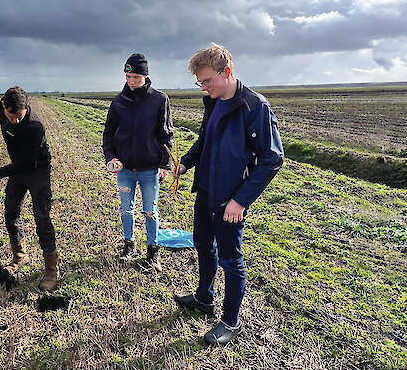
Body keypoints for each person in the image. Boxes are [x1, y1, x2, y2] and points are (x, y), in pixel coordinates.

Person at [172, 44, 284, 345]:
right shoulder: (214, 102)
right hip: (206, 192)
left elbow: (272, 159)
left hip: (230, 200)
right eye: (200, 82)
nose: (204, 87)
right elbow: (204, 140)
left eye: (207, 81)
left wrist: (240, 200)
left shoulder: (254, 107)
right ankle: (204, 298)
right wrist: (185, 163)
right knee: (202, 245)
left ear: (227, 72)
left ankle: (230, 322)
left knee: (231, 260)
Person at [0, 86, 58, 291]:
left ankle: (51, 270)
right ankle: (20, 255)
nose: (16, 121)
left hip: (37, 169)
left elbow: (26, 163)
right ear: (5, 107)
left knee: (42, 217)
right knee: (11, 211)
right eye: (12, 116)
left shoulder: (35, 126)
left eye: (19, 116)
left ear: (26, 108)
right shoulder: (4, 110)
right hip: (18, 169)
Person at [102, 53, 174, 272]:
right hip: (124, 169)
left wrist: (165, 165)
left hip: (150, 169)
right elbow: (108, 134)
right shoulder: (118, 102)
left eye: (135, 77)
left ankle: (153, 253)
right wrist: (110, 157)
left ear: (145, 75)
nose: (131, 81)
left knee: (150, 210)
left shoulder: (159, 100)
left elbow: (167, 135)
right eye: (128, 76)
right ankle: (129, 245)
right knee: (126, 209)